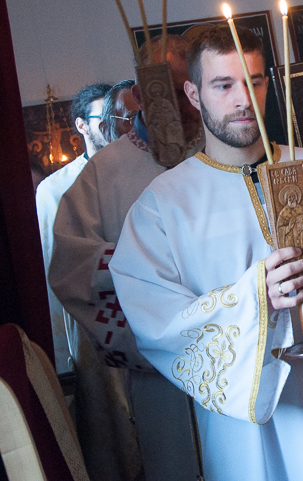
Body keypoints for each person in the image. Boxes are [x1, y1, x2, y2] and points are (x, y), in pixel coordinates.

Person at [109, 25, 303, 481]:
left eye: (253, 81)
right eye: (223, 85)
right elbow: (157, 321)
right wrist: (255, 296)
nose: (243, 100)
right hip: (245, 435)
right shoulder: (163, 206)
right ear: (193, 93)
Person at [48, 35, 201, 481]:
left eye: (188, 88)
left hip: (236, 357)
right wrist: (146, 266)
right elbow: (71, 266)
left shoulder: (223, 154)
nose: (181, 103)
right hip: (159, 374)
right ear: (138, 92)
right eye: (166, 89)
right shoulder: (105, 172)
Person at [35, 82, 111, 373]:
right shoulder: (55, 189)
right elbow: (52, 263)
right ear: (82, 125)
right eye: (102, 119)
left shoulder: (143, 171)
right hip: (92, 313)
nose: (113, 127)